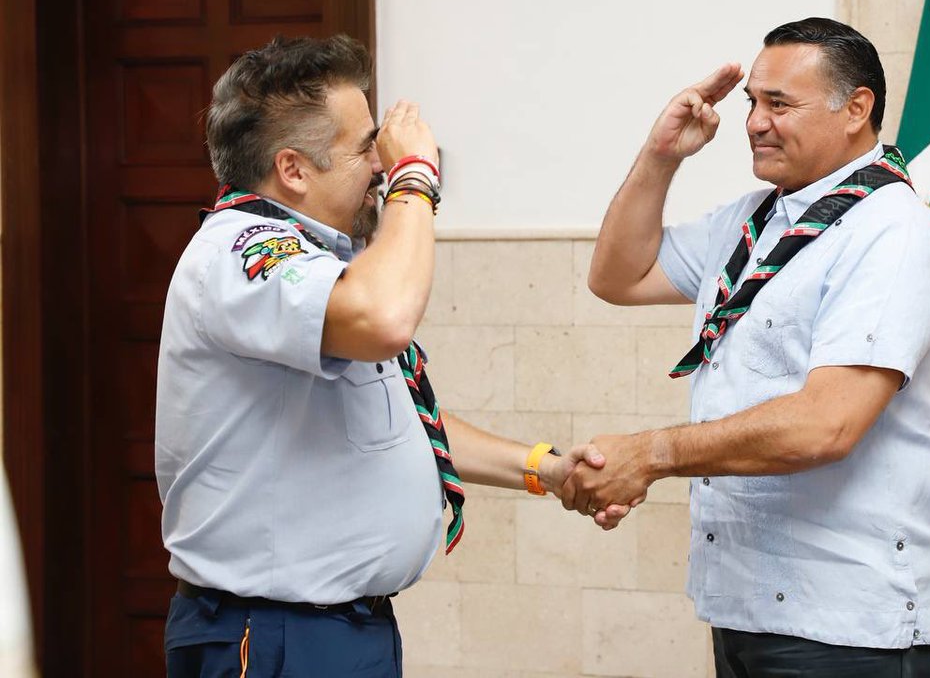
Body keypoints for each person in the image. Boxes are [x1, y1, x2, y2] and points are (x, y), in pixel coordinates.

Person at [155, 34, 625, 678]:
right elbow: (385, 319)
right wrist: (415, 179)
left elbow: (406, 424)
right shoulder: (242, 252)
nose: (379, 164)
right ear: (293, 170)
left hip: (344, 629)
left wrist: (544, 469)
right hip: (273, 635)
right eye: (364, 148)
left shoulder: (326, 263)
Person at [566, 18, 930, 676]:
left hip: (846, 623)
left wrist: (653, 454)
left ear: (856, 109)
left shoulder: (890, 230)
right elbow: (618, 276)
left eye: (779, 104)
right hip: (747, 606)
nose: (754, 123)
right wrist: (661, 156)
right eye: (752, 101)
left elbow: (826, 424)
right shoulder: (754, 219)